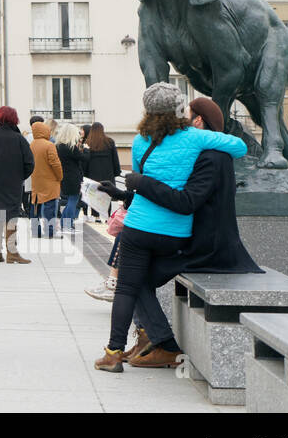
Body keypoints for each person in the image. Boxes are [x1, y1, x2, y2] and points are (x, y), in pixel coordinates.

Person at [93, 84, 247, 373]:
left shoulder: (140, 142)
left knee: (127, 286)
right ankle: (155, 341)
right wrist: (211, 138)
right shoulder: (197, 138)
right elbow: (240, 147)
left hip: (138, 227)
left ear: (148, 111)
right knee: (138, 283)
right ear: (180, 110)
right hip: (176, 233)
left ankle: (114, 353)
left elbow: (140, 180)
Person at [0, 107, 35, 262]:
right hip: (13, 183)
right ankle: (12, 252)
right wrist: (20, 176)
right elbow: (30, 163)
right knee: (11, 215)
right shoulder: (18, 138)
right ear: (14, 119)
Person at [81, 122, 122, 299]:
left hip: (93, 177)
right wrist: (115, 172)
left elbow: (85, 163)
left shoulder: (89, 144)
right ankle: (104, 218)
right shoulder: (110, 142)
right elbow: (116, 163)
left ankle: (95, 216)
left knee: (94, 201)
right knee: (106, 201)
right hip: (108, 177)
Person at [29, 120, 63, 238]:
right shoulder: (49, 145)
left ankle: (35, 231)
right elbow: (55, 163)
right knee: (50, 207)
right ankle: (49, 231)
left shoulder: (32, 144)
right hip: (50, 181)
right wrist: (60, 176)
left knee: (35, 206)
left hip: (36, 180)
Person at [53, 123, 84, 235]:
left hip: (64, 176)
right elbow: (83, 158)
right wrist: (86, 149)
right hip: (73, 177)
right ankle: (67, 225)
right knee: (73, 200)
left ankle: (64, 224)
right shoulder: (71, 147)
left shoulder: (58, 146)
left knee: (70, 201)